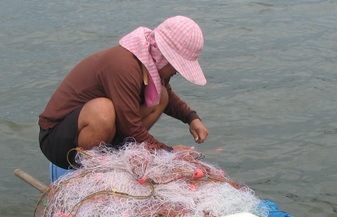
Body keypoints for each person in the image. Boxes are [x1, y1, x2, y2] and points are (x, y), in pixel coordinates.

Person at [38, 16, 210, 173]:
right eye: (177, 66)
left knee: (162, 96)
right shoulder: (124, 66)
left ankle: (113, 157)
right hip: (58, 141)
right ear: (166, 56)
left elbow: (167, 96)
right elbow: (131, 127)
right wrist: (169, 153)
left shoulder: (149, 63)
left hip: (104, 135)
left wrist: (191, 117)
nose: (177, 71)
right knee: (103, 110)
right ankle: (92, 169)